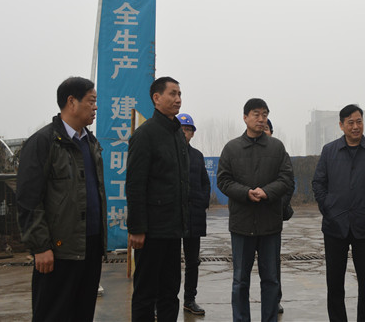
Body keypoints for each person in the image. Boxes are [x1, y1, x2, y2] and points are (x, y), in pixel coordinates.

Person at [16, 77, 107, 322]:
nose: (96, 107)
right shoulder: (43, 142)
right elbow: (28, 199)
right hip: (58, 250)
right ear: (71, 102)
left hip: (90, 245)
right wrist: (40, 247)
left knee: (82, 313)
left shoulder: (91, 143)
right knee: (53, 314)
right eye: (91, 101)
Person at [217, 98, 294, 322]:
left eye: (264, 115)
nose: (261, 119)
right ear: (245, 117)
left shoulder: (276, 147)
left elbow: (286, 178)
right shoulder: (231, 148)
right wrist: (246, 192)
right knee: (240, 280)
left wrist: (267, 192)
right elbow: (223, 180)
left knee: (270, 279)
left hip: (270, 224)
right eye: (256, 114)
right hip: (241, 224)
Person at [312, 104, 365, 322]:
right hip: (335, 226)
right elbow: (318, 182)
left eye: (359, 122)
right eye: (350, 123)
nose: (355, 127)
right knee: (334, 283)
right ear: (341, 125)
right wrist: (327, 207)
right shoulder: (329, 151)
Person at [126, 76, 190, 322]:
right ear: (156, 98)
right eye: (172, 94)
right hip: (151, 231)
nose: (178, 99)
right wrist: (137, 228)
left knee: (170, 291)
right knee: (145, 292)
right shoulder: (145, 135)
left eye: (179, 94)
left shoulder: (177, 135)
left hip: (173, 229)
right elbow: (135, 184)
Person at [177, 113, 211, 315]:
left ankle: (190, 300)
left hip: (194, 216)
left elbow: (205, 183)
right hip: (173, 217)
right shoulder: (168, 153)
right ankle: (164, 300)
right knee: (169, 262)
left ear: (192, 134)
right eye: (181, 129)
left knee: (192, 262)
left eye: (188, 129)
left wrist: (202, 202)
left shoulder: (197, 156)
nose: (185, 133)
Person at [263, 118, 295, 314]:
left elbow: (289, 184)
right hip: (249, 217)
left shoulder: (281, 154)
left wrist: (277, 206)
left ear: (271, 132)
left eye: (266, 128)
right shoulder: (243, 152)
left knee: (272, 263)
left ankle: (275, 300)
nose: (263, 131)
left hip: (273, 217)